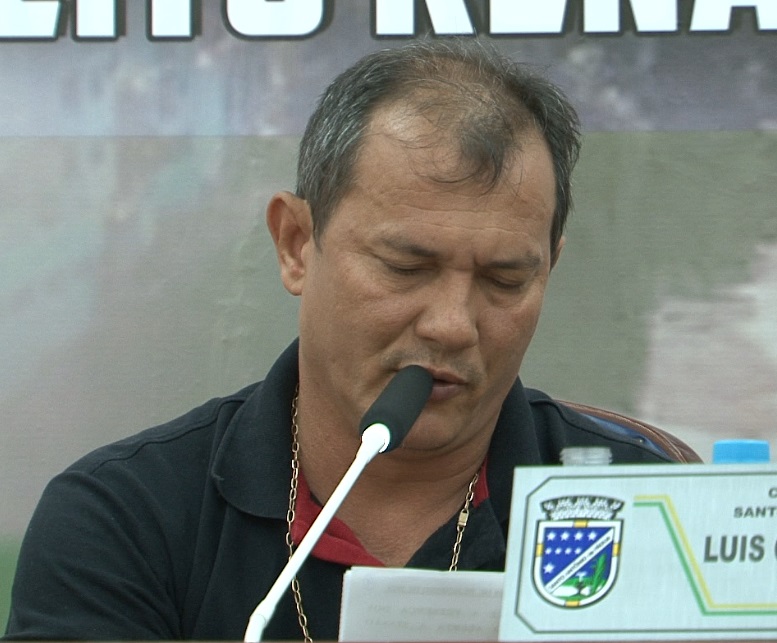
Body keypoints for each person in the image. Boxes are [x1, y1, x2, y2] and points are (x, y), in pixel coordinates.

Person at [4, 40, 677, 642]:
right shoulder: (125, 518)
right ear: (296, 244)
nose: (451, 324)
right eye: (406, 267)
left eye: (505, 279)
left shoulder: (650, 507)